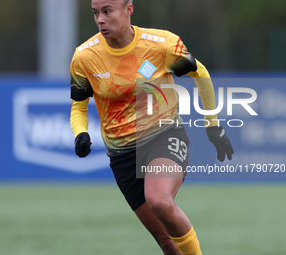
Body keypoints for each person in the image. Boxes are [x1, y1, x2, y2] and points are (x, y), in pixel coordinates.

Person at [70, 0, 234, 254]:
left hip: (163, 134)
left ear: (129, 9)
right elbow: (78, 107)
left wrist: (212, 124)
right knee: (166, 241)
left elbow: (200, 74)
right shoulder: (84, 57)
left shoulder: (162, 45)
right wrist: (80, 133)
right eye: (95, 13)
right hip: (122, 154)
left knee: (159, 201)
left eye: (107, 11)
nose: (100, 20)